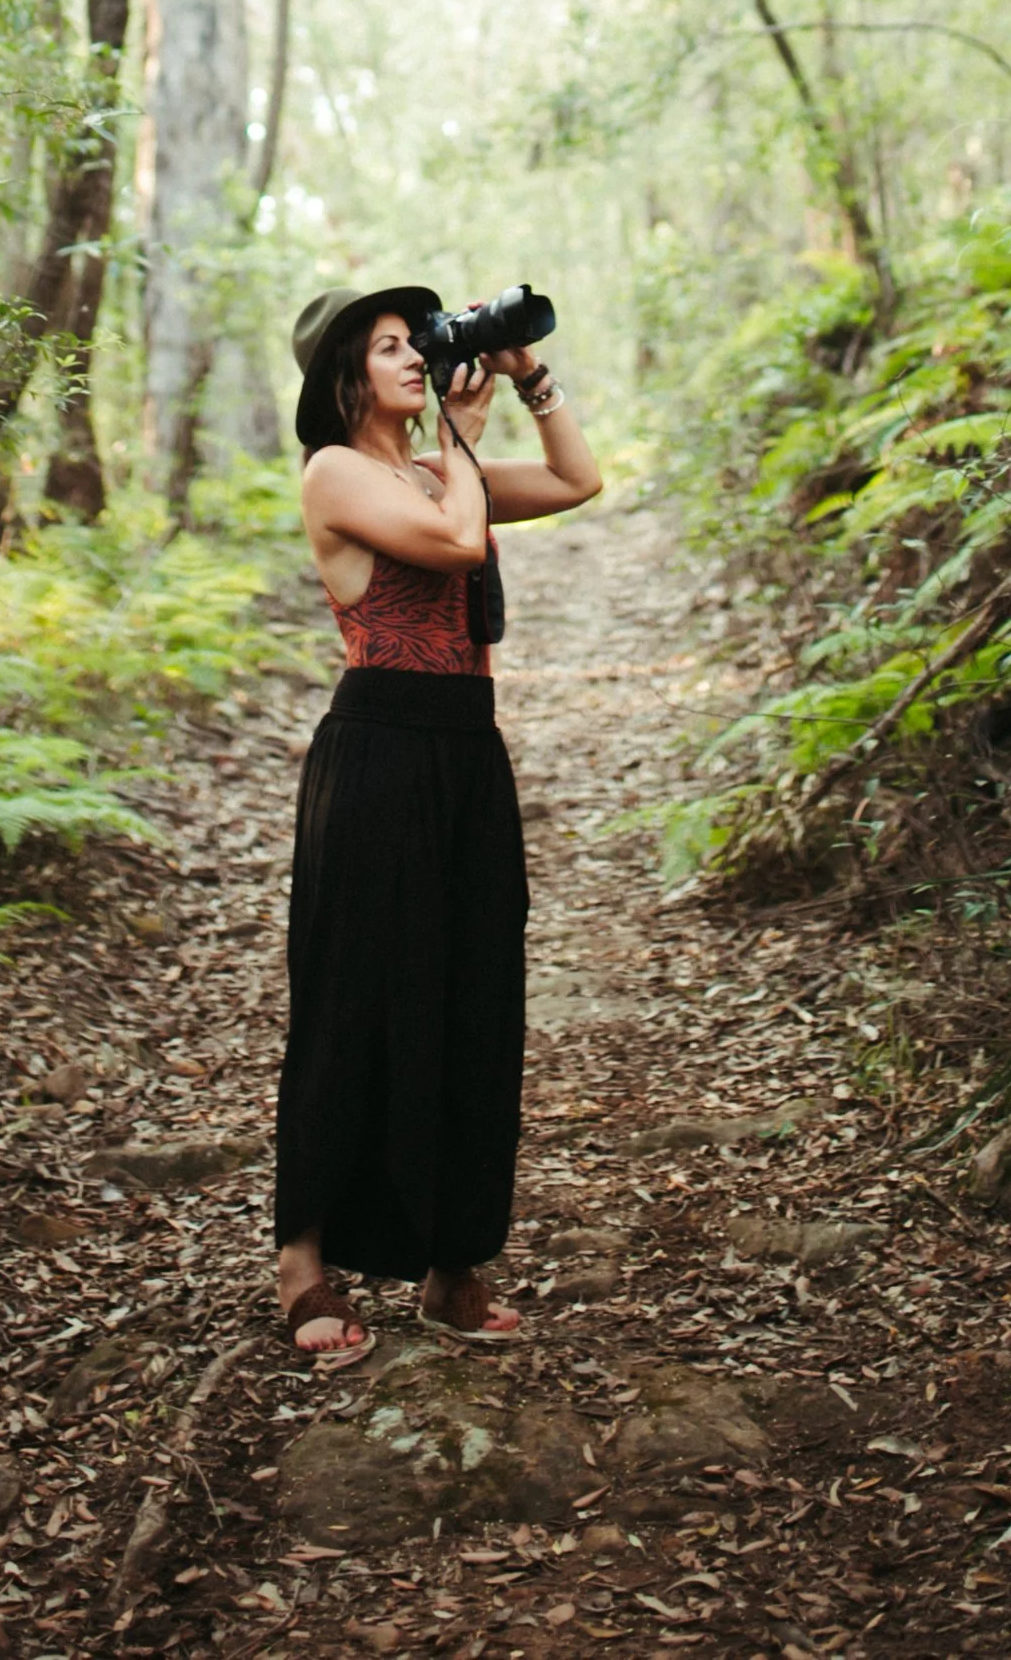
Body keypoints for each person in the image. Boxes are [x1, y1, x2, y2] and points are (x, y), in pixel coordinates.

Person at [271, 279, 604, 1367]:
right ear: (341, 377)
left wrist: (526, 376)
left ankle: (451, 1261)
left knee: (473, 995)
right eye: (386, 348)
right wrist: (460, 435)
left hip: (466, 750)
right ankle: (304, 1263)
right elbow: (457, 548)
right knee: (351, 997)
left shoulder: (439, 472)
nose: (415, 357)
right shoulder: (338, 474)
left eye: (419, 341)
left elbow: (576, 477)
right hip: (376, 751)